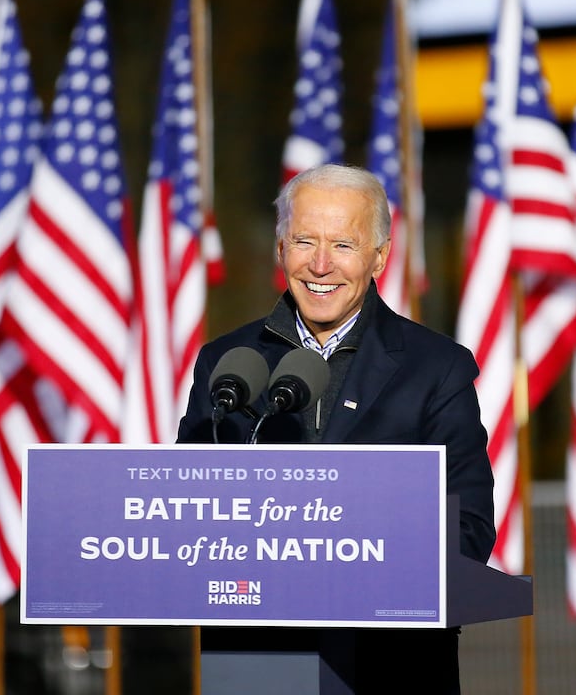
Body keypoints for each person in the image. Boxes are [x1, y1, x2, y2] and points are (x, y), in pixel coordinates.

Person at [178, 164, 496, 694]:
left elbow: (468, 527)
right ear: (281, 249)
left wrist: (357, 571)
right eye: (304, 240)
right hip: (260, 665)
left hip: (393, 665)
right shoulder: (227, 365)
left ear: (379, 257)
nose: (321, 265)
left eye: (343, 245)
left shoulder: (436, 368)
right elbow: (189, 514)